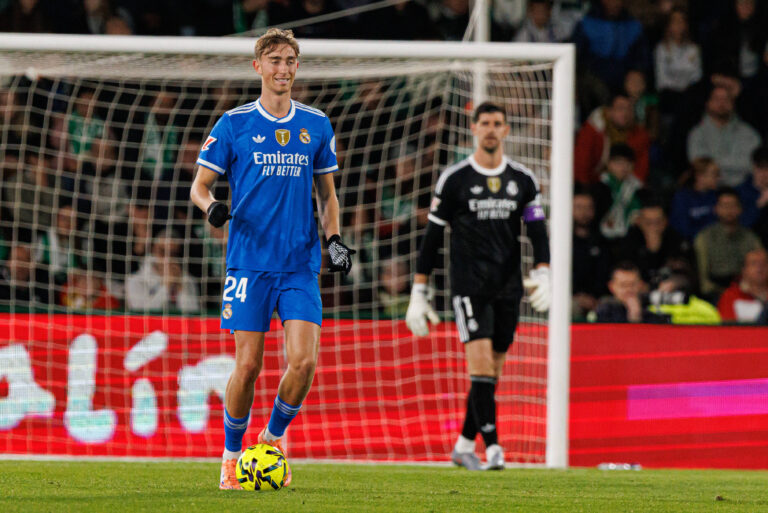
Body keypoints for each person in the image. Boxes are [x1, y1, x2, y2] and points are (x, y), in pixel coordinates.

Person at [190, 29, 354, 490]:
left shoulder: (317, 124)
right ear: (257, 66)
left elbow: (328, 195)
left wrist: (335, 240)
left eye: (291, 60)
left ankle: (273, 437)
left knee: (303, 363)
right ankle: (230, 456)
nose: (284, 68)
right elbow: (199, 187)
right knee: (248, 366)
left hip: (300, 264)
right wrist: (213, 208)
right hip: (249, 263)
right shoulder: (233, 124)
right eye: (275, 60)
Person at [405, 102, 551, 471]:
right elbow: (432, 239)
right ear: (473, 128)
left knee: (492, 373)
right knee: (482, 367)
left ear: (505, 130)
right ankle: (495, 448)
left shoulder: (524, 180)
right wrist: (419, 291)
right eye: (484, 123)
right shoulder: (454, 179)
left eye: (497, 123)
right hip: (469, 287)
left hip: (509, 287)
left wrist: (544, 271)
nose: (490, 129)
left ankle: (464, 444)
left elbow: (537, 231)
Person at [694, 188, 763, 300]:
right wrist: (725, 294)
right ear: (716, 209)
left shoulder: (751, 238)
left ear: (740, 209)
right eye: (724, 206)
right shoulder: (704, 238)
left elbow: (761, 268)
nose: (729, 210)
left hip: (746, 289)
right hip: (715, 291)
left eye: (733, 206)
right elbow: (703, 280)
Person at [686, 86, 762, 187]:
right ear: (708, 103)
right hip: (709, 189)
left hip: (744, 188)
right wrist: (735, 164)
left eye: (726, 99)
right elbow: (699, 165)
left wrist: (716, 163)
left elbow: (754, 165)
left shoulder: (749, 134)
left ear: (733, 103)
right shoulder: (696, 134)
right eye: (717, 99)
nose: (721, 103)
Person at [574, 93, 650, 185]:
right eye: (620, 108)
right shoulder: (592, 130)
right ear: (609, 111)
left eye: (629, 109)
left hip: (625, 188)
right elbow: (581, 167)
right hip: (593, 185)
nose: (625, 113)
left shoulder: (639, 135)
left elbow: (640, 172)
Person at [594, 261, 668, 323]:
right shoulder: (603, 311)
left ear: (640, 285)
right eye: (623, 285)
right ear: (611, 286)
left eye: (632, 285)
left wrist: (637, 316)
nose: (628, 289)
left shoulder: (652, 308)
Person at [669, 157, 720, 241]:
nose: (718, 178)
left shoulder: (715, 196)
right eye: (714, 174)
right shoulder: (682, 198)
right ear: (700, 176)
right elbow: (682, 229)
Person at [717, 248, 768, 323]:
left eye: (764, 263)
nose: (760, 268)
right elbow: (728, 329)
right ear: (744, 270)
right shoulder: (730, 296)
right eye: (754, 263)